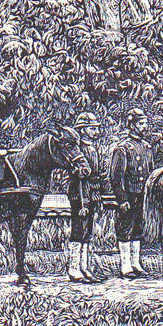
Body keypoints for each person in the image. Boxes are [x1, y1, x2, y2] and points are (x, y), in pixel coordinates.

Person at [109, 109, 154, 279]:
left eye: (145, 123)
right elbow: (116, 176)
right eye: (141, 124)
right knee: (124, 229)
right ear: (131, 125)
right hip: (128, 195)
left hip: (142, 195)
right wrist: (121, 199)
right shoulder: (123, 148)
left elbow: (150, 172)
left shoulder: (146, 147)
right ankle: (125, 266)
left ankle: (136, 264)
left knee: (138, 229)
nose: (144, 127)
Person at [67, 111, 105, 283]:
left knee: (88, 232)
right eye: (92, 128)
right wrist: (82, 202)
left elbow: (97, 174)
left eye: (96, 128)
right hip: (79, 194)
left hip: (92, 193)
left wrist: (98, 196)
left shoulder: (94, 148)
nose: (96, 132)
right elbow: (78, 178)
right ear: (82, 130)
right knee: (78, 230)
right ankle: (74, 268)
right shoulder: (77, 150)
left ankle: (85, 267)